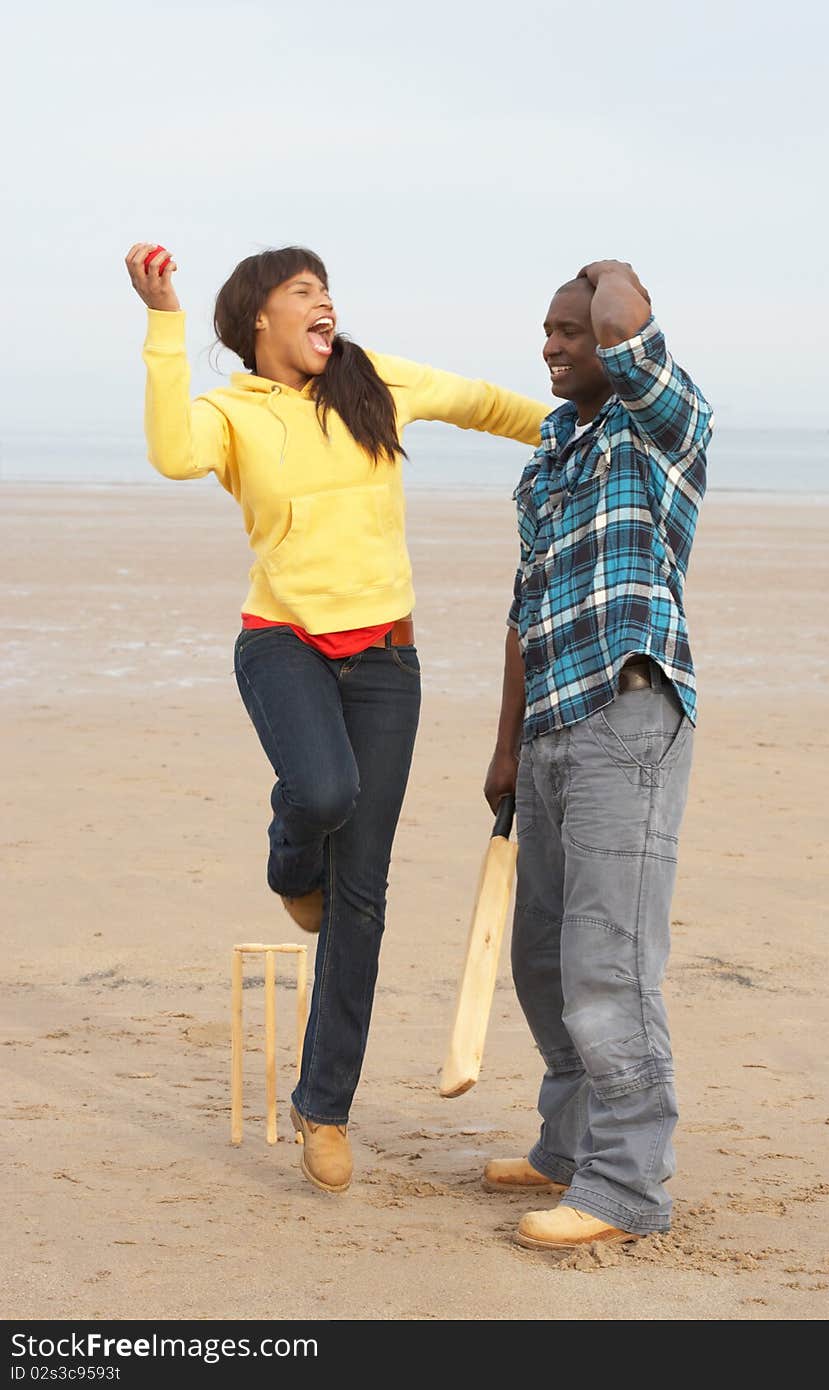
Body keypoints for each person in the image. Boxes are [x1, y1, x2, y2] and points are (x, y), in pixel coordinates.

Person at [124, 242, 547, 1194]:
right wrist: (162, 321)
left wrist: (580, 427)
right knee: (322, 790)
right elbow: (168, 452)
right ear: (258, 321)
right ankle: (288, 857)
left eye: (326, 291)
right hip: (284, 642)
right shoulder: (231, 412)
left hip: (387, 657)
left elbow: (485, 402)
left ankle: (323, 1108)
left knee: (363, 895)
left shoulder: (372, 382)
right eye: (302, 292)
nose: (325, 306)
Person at [482, 260, 713, 1250]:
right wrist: (504, 750)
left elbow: (626, 314)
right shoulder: (545, 459)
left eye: (569, 331)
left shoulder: (659, 426)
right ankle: (565, 1147)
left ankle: (624, 1188)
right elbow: (523, 612)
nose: (551, 345)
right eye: (545, 330)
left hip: (628, 714)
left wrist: (601, 274)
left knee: (605, 960)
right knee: (540, 958)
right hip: (547, 729)